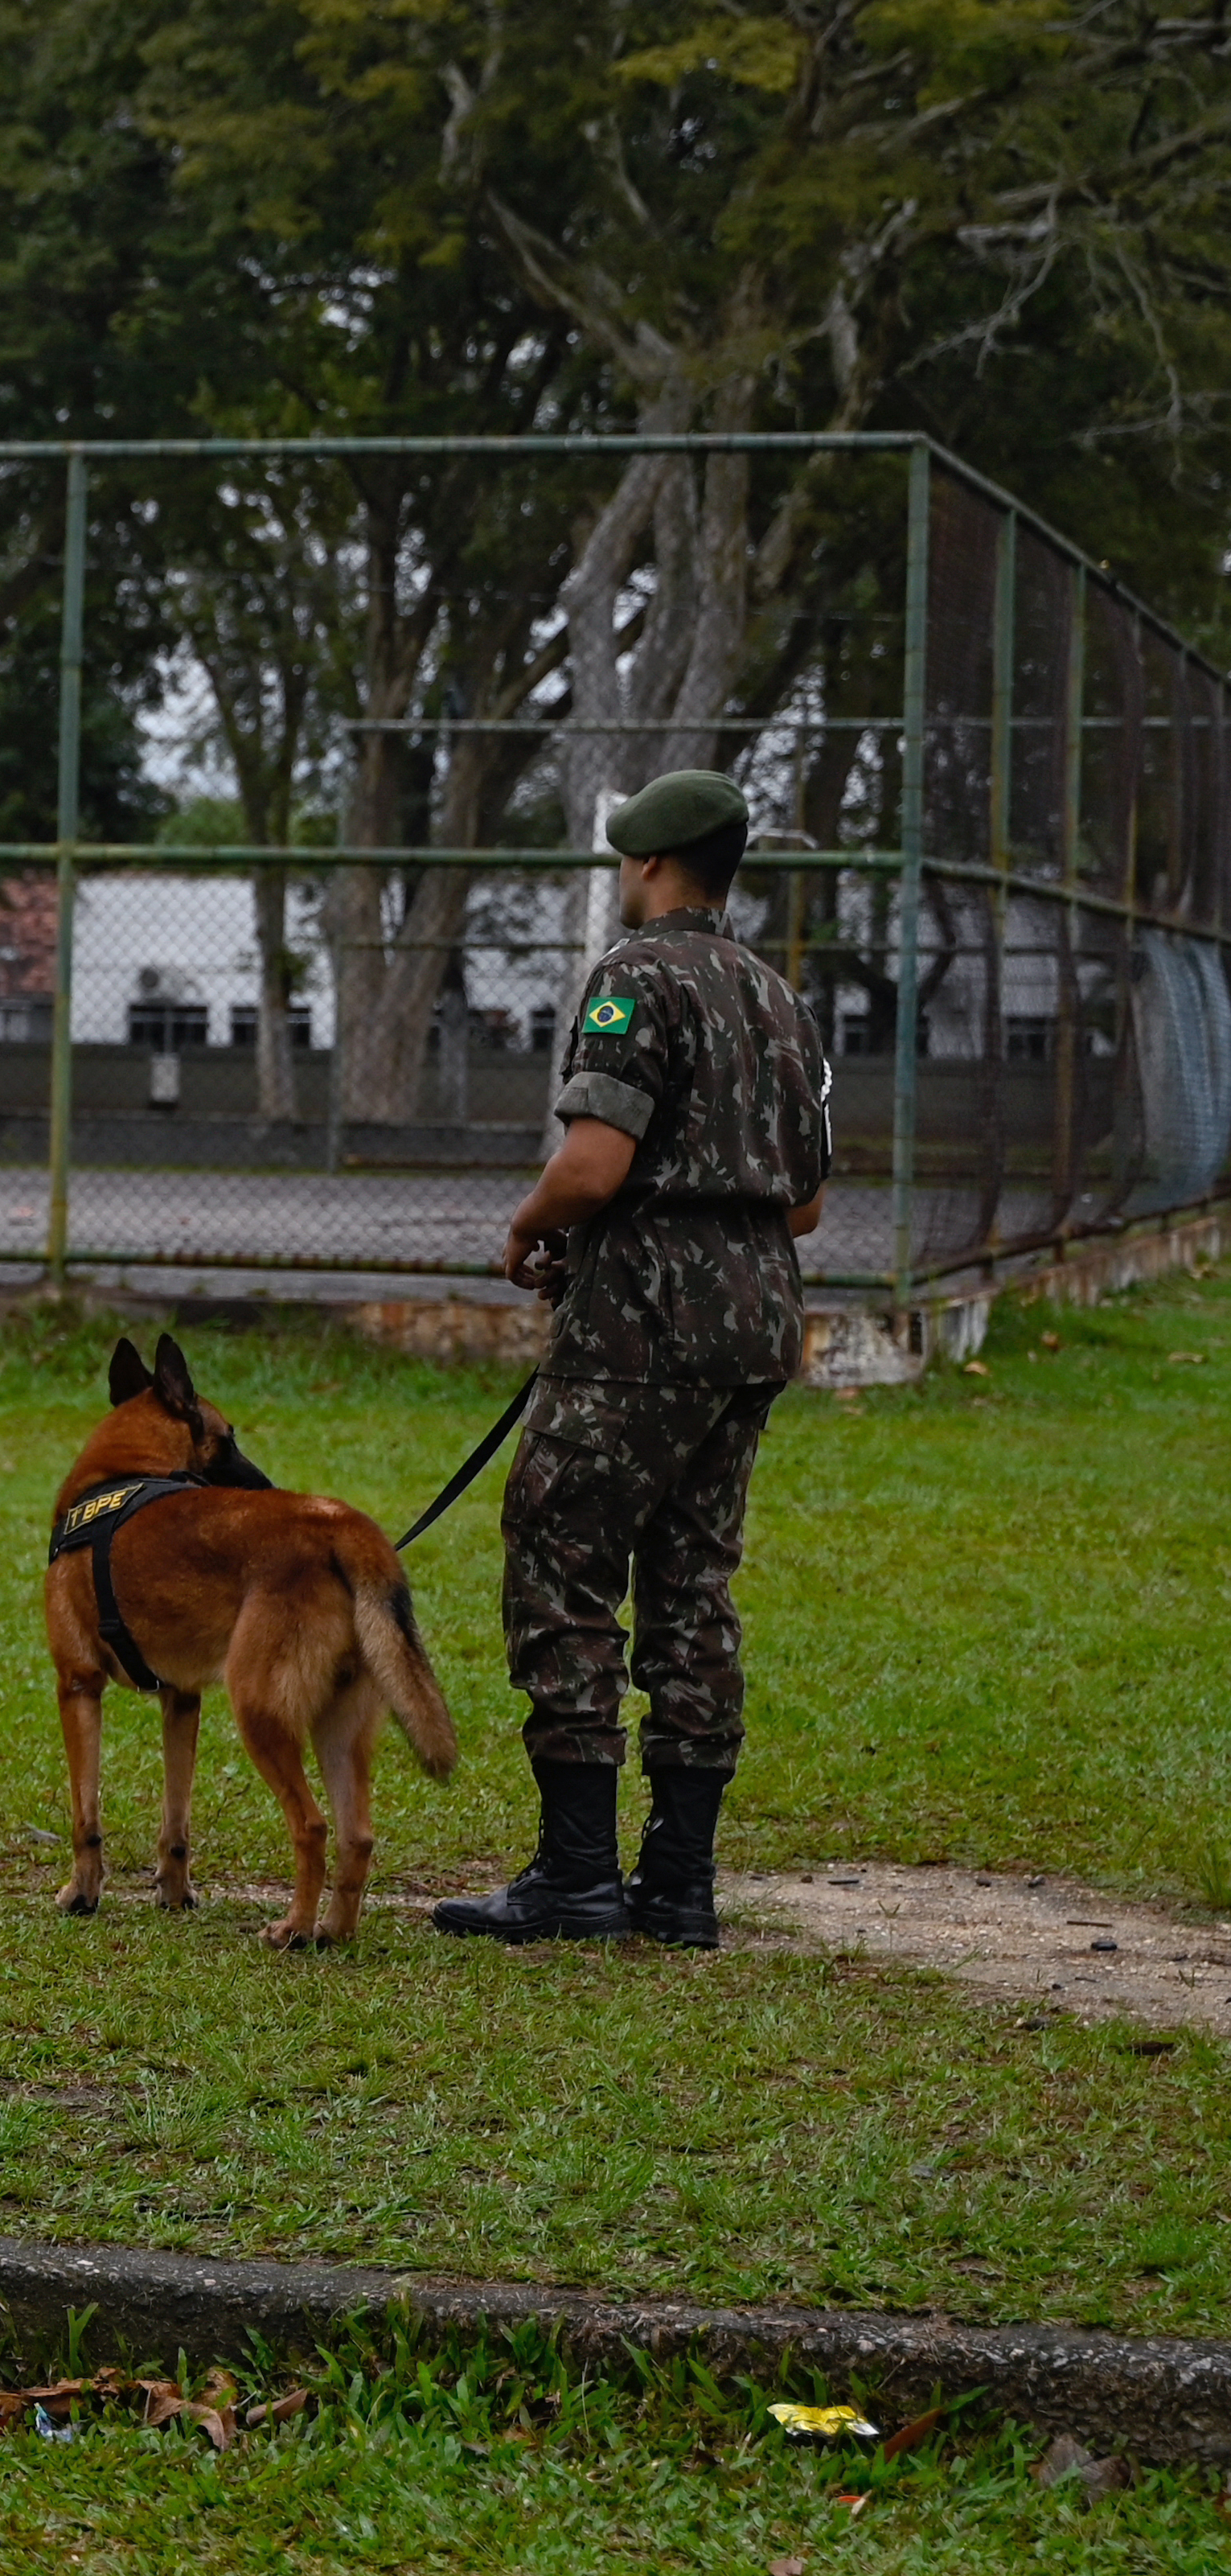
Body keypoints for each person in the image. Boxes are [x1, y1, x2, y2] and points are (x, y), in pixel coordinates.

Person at [431, 770, 830, 1952]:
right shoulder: (775, 999)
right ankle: (680, 1885)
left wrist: (531, 1225)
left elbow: (595, 1162)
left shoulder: (637, 977)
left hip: (640, 1330)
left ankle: (574, 1876)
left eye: (622, 859)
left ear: (649, 863)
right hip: (753, 1325)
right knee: (694, 1584)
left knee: (559, 1558)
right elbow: (802, 1206)